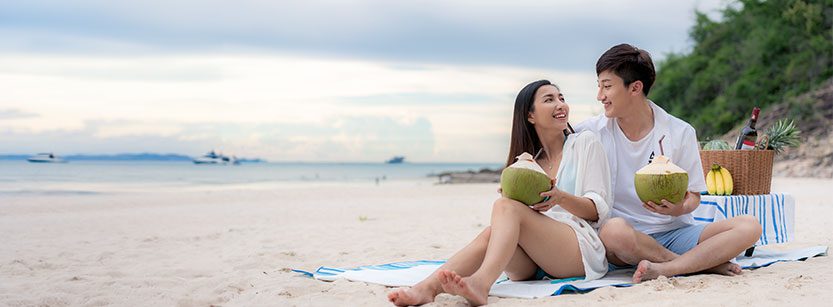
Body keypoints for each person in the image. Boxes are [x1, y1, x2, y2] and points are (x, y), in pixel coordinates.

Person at [388, 80, 612, 306]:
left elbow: (598, 211)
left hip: (578, 250)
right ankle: (427, 288)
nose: (560, 104)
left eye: (561, 98)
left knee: (503, 208)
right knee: (490, 233)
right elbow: (516, 218)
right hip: (534, 260)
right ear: (530, 116)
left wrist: (560, 196)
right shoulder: (527, 165)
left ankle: (480, 283)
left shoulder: (585, 143)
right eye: (549, 99)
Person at [575, 43, 763, 283]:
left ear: (635, 88)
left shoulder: (680, 131)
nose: (600, 95)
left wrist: (679, 208)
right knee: (613, 230)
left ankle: (668, 268)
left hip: (674, 232)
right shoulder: (589, 133)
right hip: (625, 239)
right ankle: (697, 264)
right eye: (599, 86)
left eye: (607, 86)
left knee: (750, 226)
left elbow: (694, 196)